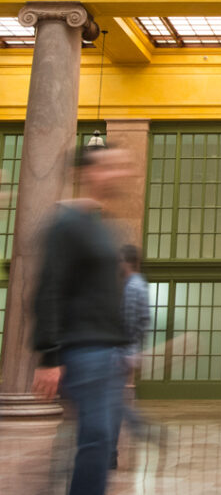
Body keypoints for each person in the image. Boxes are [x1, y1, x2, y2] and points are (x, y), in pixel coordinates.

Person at [31, 145, 132, 495]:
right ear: (88, 172)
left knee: (97, 440)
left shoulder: (103, 227)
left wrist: (123, 349)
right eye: (111, 167)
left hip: (105, 352)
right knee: (96, 439)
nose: (120, 174)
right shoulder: (66, 224)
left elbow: (105, 298)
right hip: (83, 351)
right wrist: (48, 356)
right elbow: (49, 289)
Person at [110, 244, 151, 468]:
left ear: (127, 262)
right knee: (112, 399)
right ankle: (110, 450)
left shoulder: (133, 286)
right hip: (123, 351)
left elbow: (136, 321)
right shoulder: (133, 285)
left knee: (112, 399)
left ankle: (134, 429)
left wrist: (130, 349)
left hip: (120, 351)